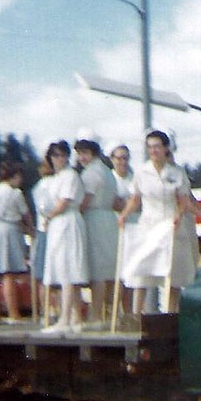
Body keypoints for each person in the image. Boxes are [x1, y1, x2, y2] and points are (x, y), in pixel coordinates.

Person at [118, 130, 198, 315]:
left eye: (157, 146)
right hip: (148, 223)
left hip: (171, 225)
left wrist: (179, 214)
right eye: (150, 147)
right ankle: (137, 318)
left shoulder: (177, 172)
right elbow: (135, 199)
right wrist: (124, 215)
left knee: (172, 275)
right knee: (142, 272)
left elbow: (183, 201)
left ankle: (170, 315)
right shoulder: (141, 171)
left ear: (165, 148)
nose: (153, 150)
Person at [41, 140, 89, 332]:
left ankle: (65, 320)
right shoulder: (56, 177)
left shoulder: (70, 175)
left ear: (67, 157)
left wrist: (49, 217)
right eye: (54, 155)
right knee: (63, 269)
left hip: (68, 223)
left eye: (61, 155)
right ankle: (75, 319)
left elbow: (64, 202)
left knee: (68, 270)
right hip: (58, 225)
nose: (58, 159)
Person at [75, 138, 119, 328]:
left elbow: (84, 201)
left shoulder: (90, 173)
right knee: (108, 270)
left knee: (99, 270)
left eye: (85, 153)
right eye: (79, 153)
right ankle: (108, 315)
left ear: (93, 153)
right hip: (109, 219)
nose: (81, 157)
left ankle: (96, 316)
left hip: (95, 219)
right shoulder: (108, 171)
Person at [0, 161, 31, 324]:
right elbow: (25, 214)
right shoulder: (15, 193)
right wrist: (30, 229)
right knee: (9, 273)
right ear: (15, 176)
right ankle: (13, 314)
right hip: (10, 230)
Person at [110, 144, 141, 313]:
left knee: (130, 272)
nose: (122, 161)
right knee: (116, 273)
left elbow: (138, 202)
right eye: (119, 158)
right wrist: (127, 204)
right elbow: (112, 202)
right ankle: (113, 312)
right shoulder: (110, 178)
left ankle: (129, 313)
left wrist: (127, 204)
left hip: (134, 228)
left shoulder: (135, 177)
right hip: (114, 228)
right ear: (112, 159)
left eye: (125, 158)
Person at [30, 160, 56, 324]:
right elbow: (44, 207)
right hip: (47, 230)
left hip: (45, 230)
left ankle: (46, 311)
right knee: (47, 274)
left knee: (44, 275)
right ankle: (49, 311)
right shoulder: (45, 184)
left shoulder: (39, 185)